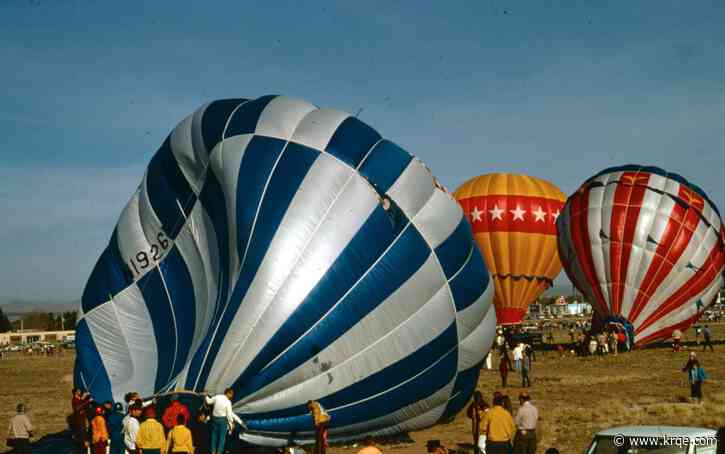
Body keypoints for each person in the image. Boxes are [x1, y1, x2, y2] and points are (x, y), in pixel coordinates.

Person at [205, 388, 244, 454]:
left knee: (214, 436)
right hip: (222, 420)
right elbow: (229, 414)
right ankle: (219, 452)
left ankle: (213, 451)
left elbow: (208, 401)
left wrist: (206, 395)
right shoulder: (228, 402)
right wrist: (231, 424)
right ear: (228, 393)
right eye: (231, 394)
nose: (232, 396)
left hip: (214, 419)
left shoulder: (217, 397)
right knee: (222, 438)